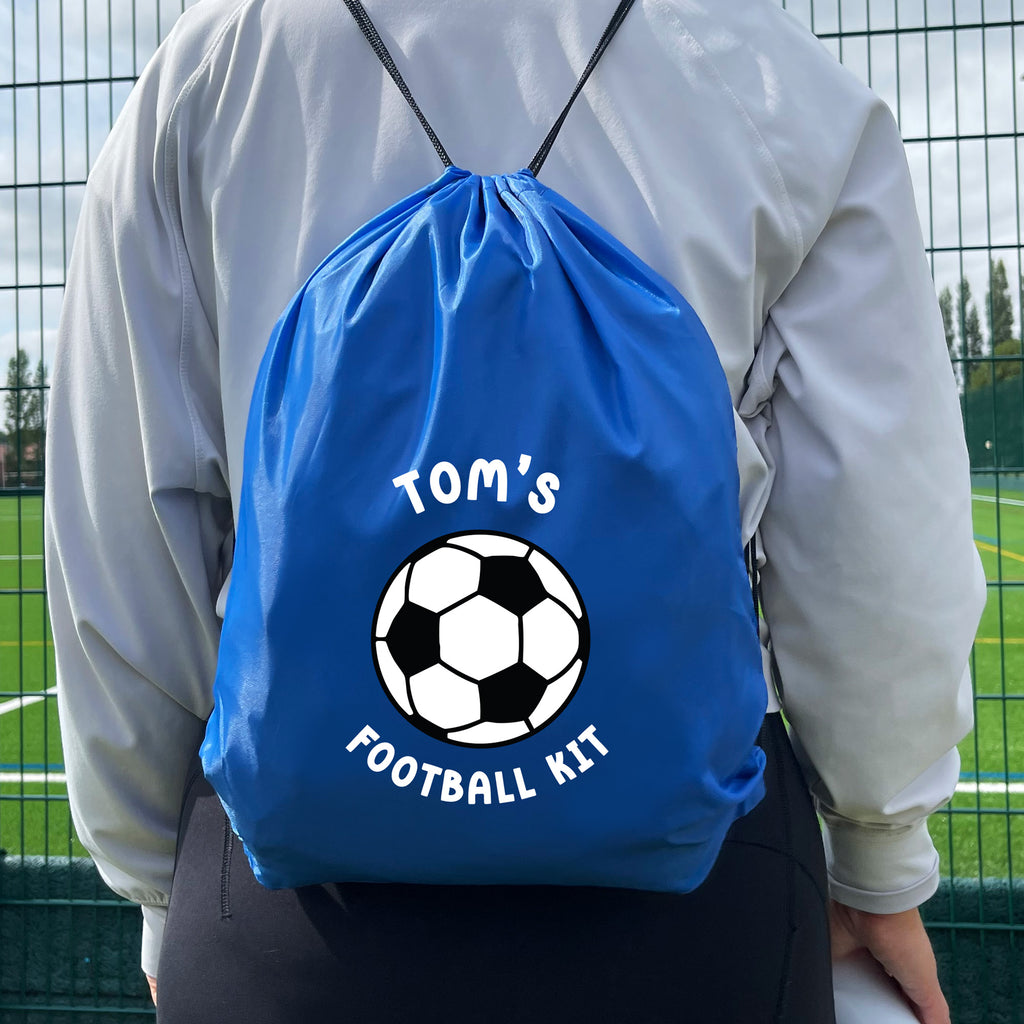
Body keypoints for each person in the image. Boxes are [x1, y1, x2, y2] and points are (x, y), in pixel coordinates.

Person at [44, 0, 985, 1021]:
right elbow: (875, 543)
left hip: (286, 907)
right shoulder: (767, 76)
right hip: (698, 896)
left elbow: (120, 533)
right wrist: (880, 852)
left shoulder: (206, 70)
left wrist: (155, 873)